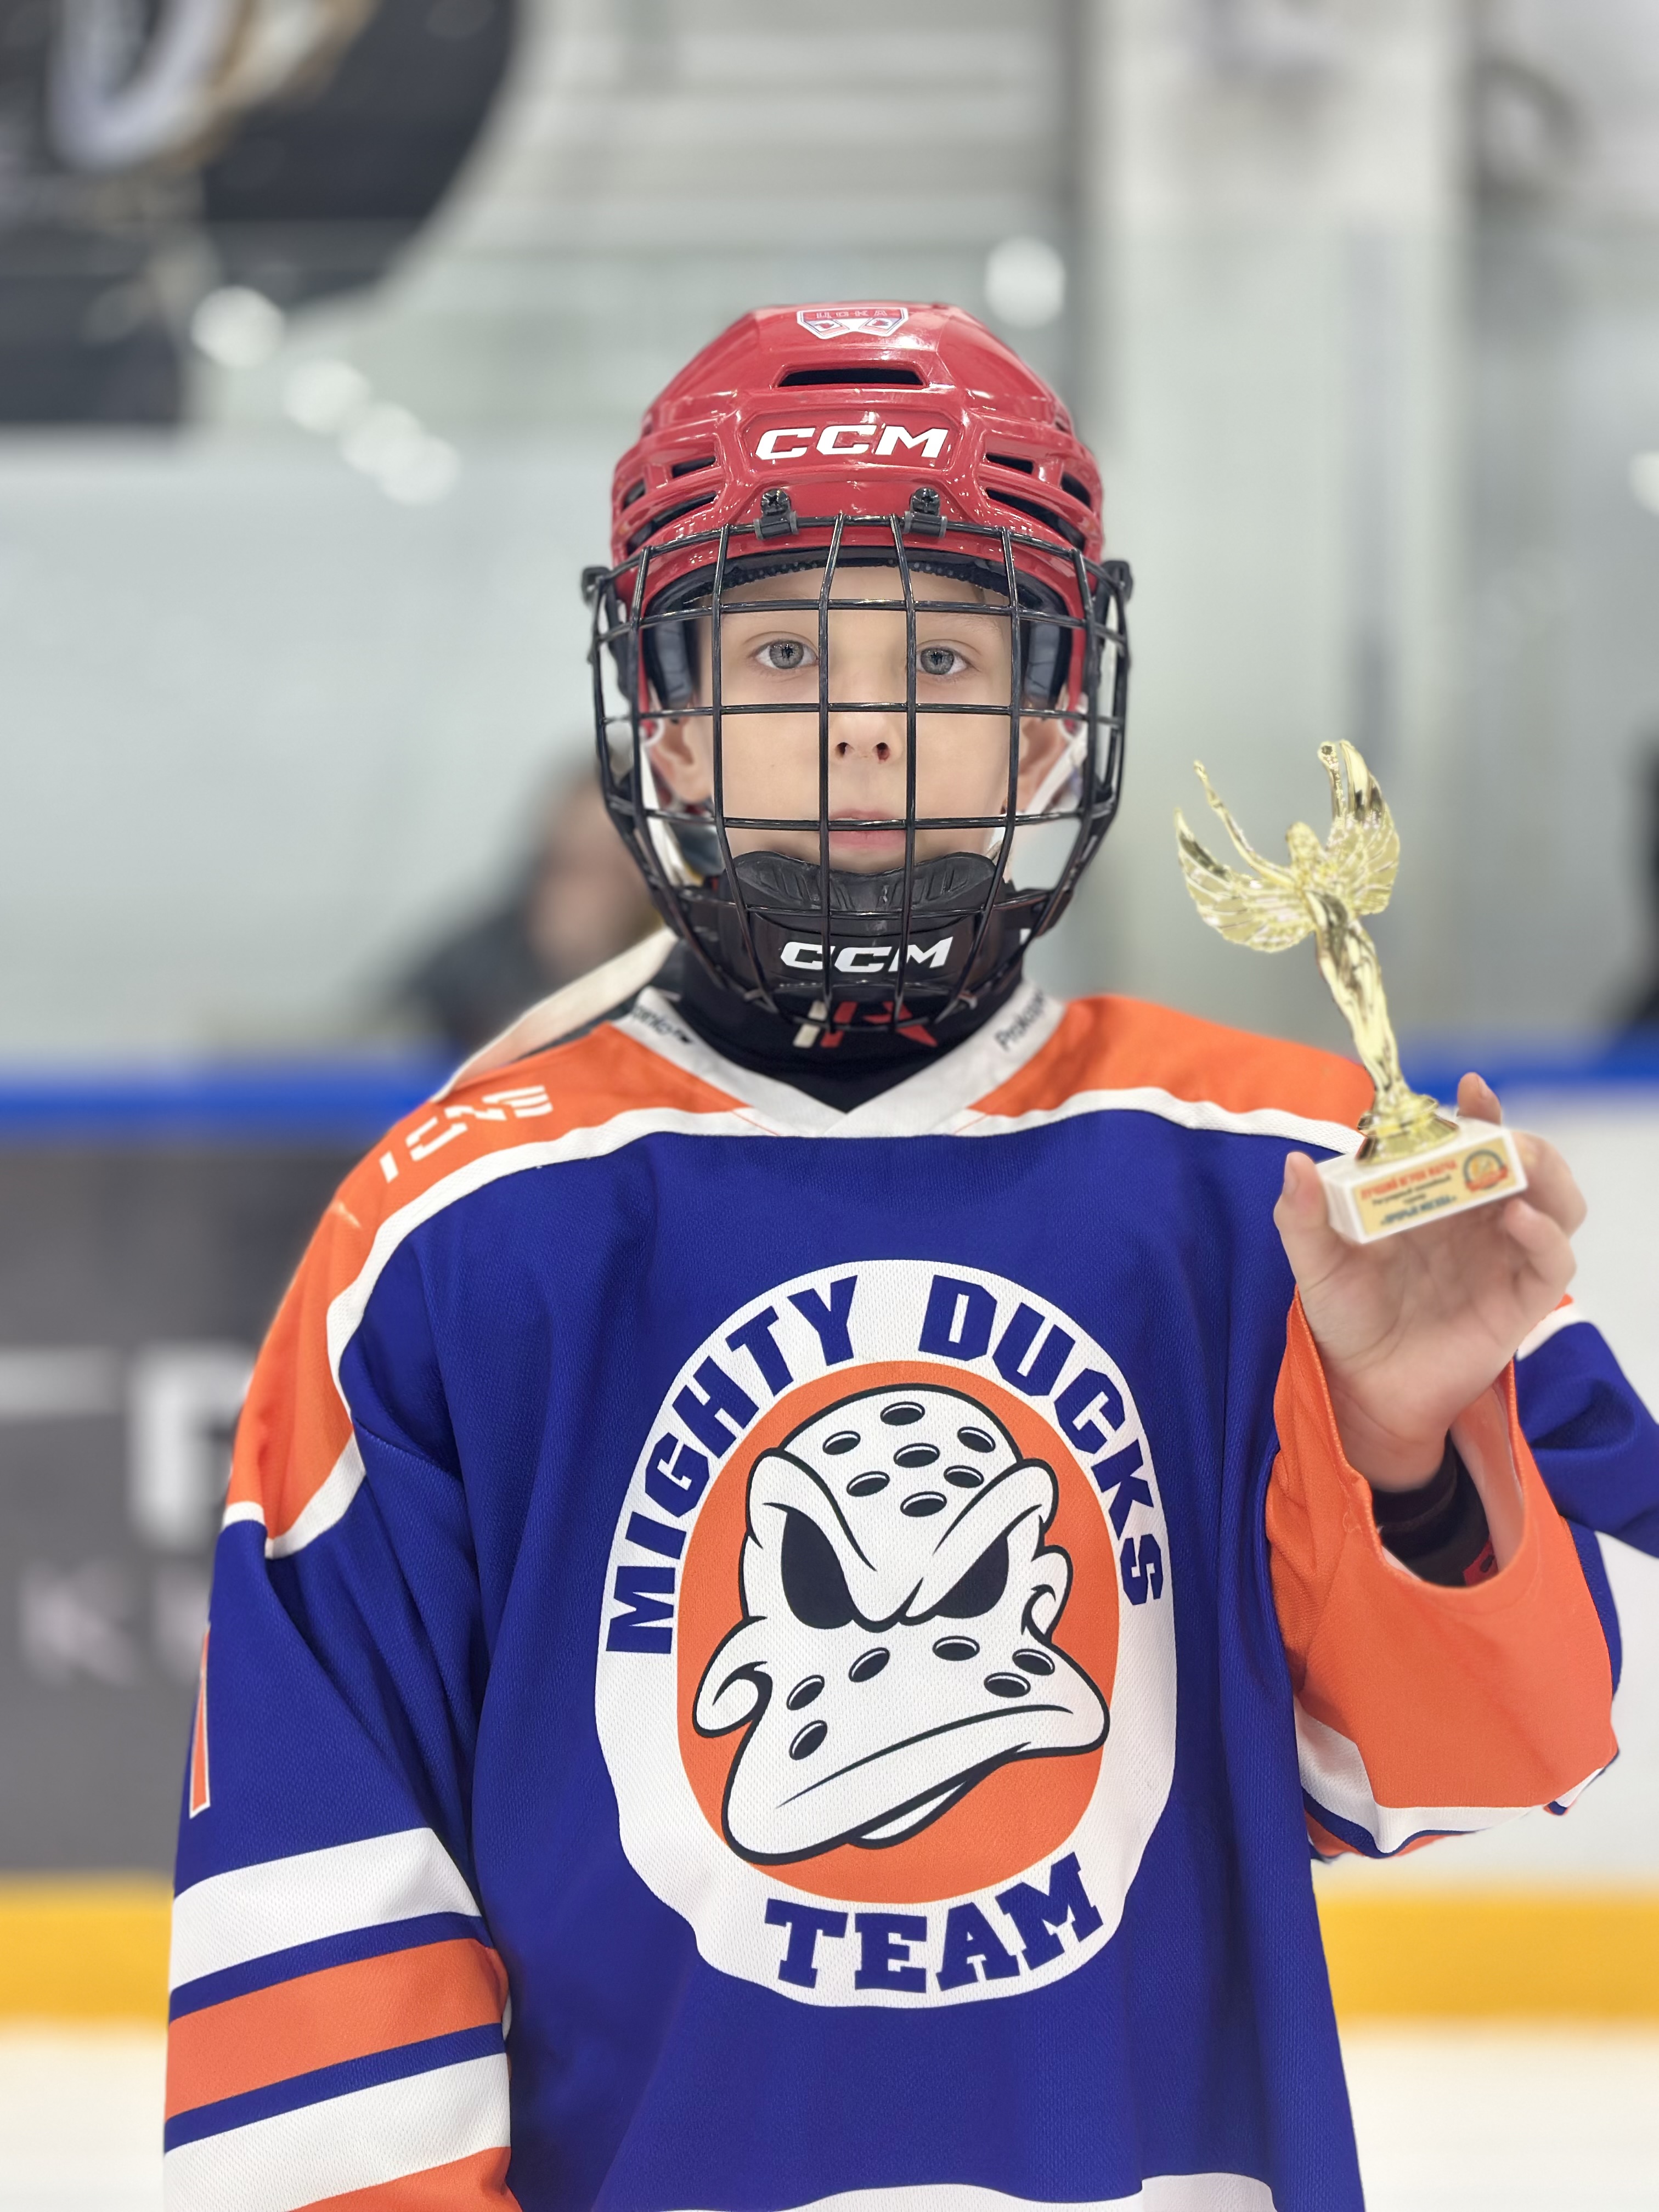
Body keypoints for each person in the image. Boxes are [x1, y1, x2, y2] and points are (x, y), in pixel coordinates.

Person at [162, 306, 1659, 2212]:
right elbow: (321, 1886)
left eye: (940, 657)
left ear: (1048, 718)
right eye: (783, 651)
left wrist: (1409, 1455)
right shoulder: (459, 1227)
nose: (860, 725)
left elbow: (1472, 1772)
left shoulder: (1273, 1186)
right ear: (667, 716)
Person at [394, 768, 661, 1056]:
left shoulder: (669, 958)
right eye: (571, 861)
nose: (584, 886)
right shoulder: (485, 947)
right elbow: (395, 1029)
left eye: (608, 862)